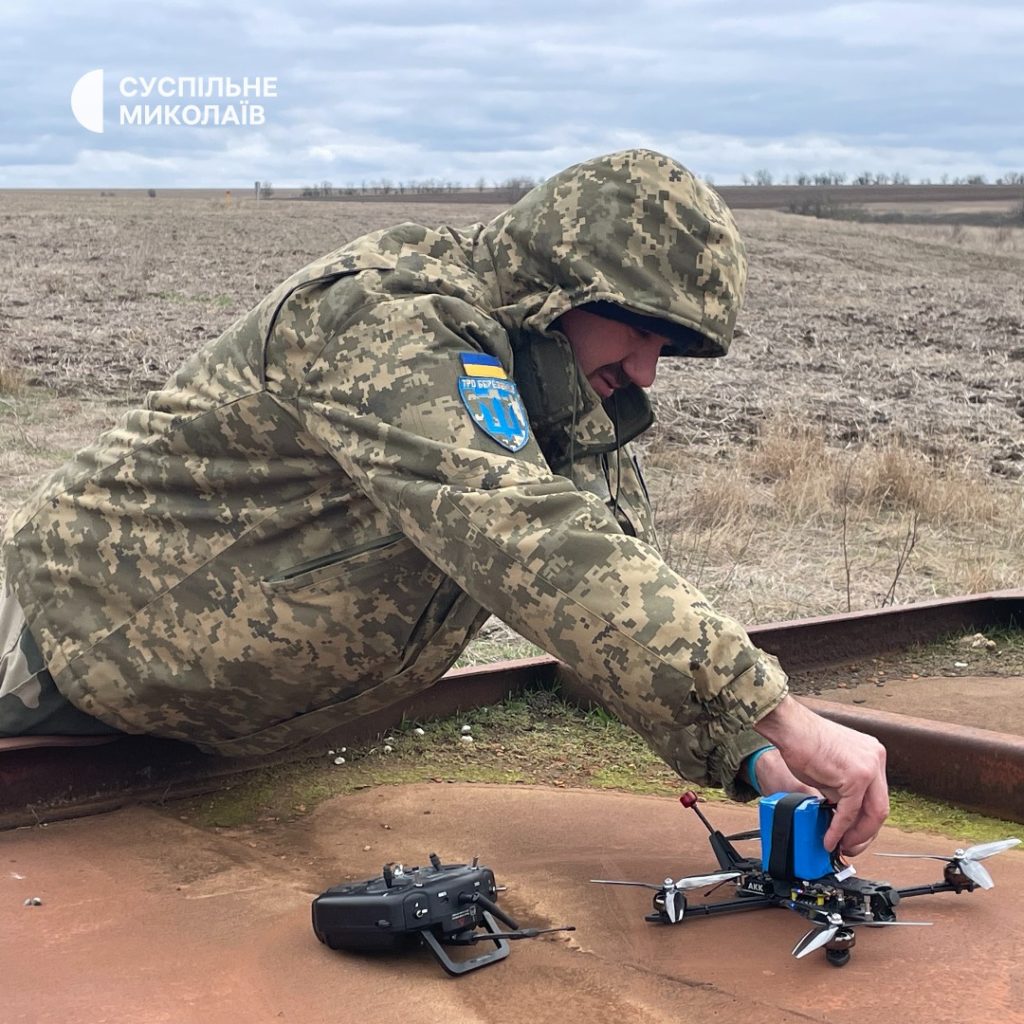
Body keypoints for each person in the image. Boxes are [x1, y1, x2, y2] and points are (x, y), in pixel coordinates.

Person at [0, 149, 887, 854]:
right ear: (561, 287)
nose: (647, 371)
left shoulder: (560, 393)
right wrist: (785, 717)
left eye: (672, 349)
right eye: (641, 331)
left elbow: (617, 571)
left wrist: (748, 748)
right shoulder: (392, 318)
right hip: (53, 652)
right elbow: (528, 538)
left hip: (178, 735)